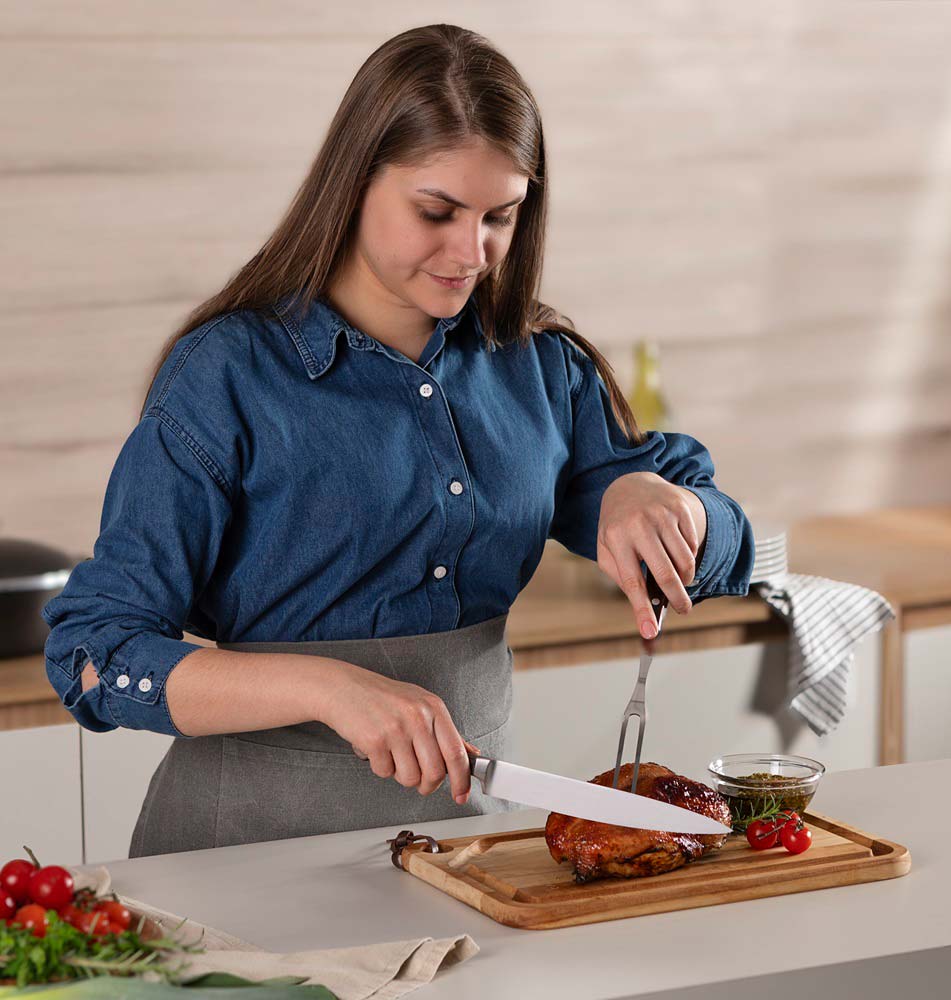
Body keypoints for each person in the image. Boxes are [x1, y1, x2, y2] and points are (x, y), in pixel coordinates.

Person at [41, 24, 755, 857]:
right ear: (353, 184)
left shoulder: (537, 363)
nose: (472, 251)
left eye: (501, 216)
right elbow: (96, 654)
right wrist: (326, 687)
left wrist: (664, 504)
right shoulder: (226, 375)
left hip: (473, 857)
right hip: (241, 860)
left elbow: (725, 540)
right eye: (436, 211)